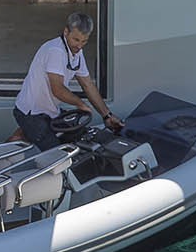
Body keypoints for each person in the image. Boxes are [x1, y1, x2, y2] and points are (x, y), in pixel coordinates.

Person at [12, 13, 123, 151]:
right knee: (58, 154)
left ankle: (22, 135)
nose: (80, 46)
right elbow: (57, 89)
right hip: (31, 113)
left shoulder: (76, 52)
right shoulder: (56, 51)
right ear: (66, 32)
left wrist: (107, 115)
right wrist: (80, 104)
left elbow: (87, 85)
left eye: (84, 41)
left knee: (79, 135)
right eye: (76, 39)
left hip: (51, 112)